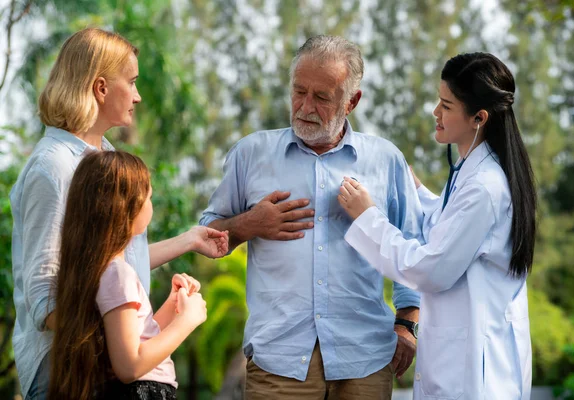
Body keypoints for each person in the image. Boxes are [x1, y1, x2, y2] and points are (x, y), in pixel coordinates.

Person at [200, 35, 422, 399]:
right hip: (279, 362)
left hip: (365, 359)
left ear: (352, 101)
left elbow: (412, 248)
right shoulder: (250, 154)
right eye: (299, 91)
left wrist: (407, 325)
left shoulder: (386, 160)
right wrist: (251, 224)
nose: (305, 106)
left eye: (321, 97)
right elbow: (207, 237)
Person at [10, 28, 227, 399]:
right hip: (66, 375)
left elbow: (106, 258)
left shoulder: (100, 158)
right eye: (132, 82)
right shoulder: (54, 168)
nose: (138, 96)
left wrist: (188, 240)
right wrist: (124, 345)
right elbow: (44, 296)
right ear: (100, 88)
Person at [339, 52, 536, 400]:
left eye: (446, 105)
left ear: (479, 117)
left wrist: (367, 216)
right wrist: (412, 186)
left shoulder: (484, 187)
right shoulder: (473, 172)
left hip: (476, 378)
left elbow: (430, 269)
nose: (436, 112)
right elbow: (447, 222)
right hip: (462, 364)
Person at [47, 151, 226, 400]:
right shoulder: (118, 275)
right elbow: (129, 366)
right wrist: (187, 321)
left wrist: (172, 308)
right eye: (149, 198)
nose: (151, 205)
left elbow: (132, 338)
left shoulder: (96, 270)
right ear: (125, 207)